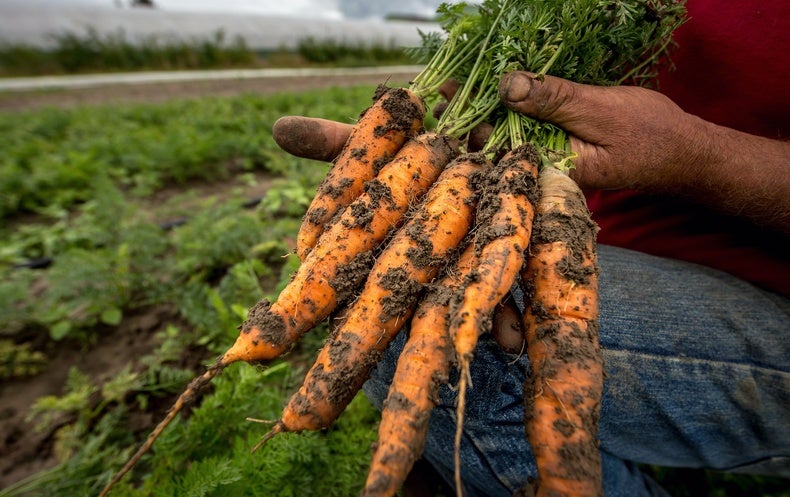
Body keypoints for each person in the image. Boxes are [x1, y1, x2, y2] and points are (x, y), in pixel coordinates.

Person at [272, 1, 789, 495]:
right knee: (404, 291)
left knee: (450, 338)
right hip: (584, 227)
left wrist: (696, 155)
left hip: (767, 292)